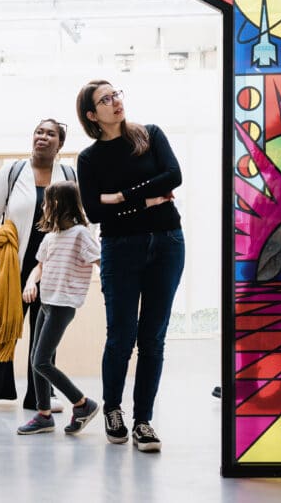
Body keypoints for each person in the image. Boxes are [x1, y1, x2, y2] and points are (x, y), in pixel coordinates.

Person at [75, 80, 185, 453]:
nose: (115, 101)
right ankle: (112, 410)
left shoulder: (150, 135)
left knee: (153, 338)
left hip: (167, 242)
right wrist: (144, 199)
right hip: (120, 249)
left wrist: (121, 197)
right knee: (121, 337)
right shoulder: (89, 159)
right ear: (92, 115)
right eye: (104, 100)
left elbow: (174, 177)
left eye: (116, 94)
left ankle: (143, 421)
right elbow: (93, 210)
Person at [0, 119, 76, 411]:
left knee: (45, 331)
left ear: (60, 143)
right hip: (13, 263)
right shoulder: (13, 171)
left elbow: (78, 215)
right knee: (6, 323)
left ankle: (41, 395)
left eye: (51, 134)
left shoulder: (68, 174)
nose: (43, 137)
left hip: (51, 265)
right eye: (39, 132)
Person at [15, 181, 102, 436]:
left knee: (41, 360)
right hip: (46, 301)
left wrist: (110, 286)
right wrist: (31, 282)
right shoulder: (51, 236)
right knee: (36, 360)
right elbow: (39, 266)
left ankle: (82, 403)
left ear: (60, 204)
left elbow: (99, 261)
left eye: (47, 201)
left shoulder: (80, 234)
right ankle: (43, 415)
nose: (43, 206)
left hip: (63, 304)